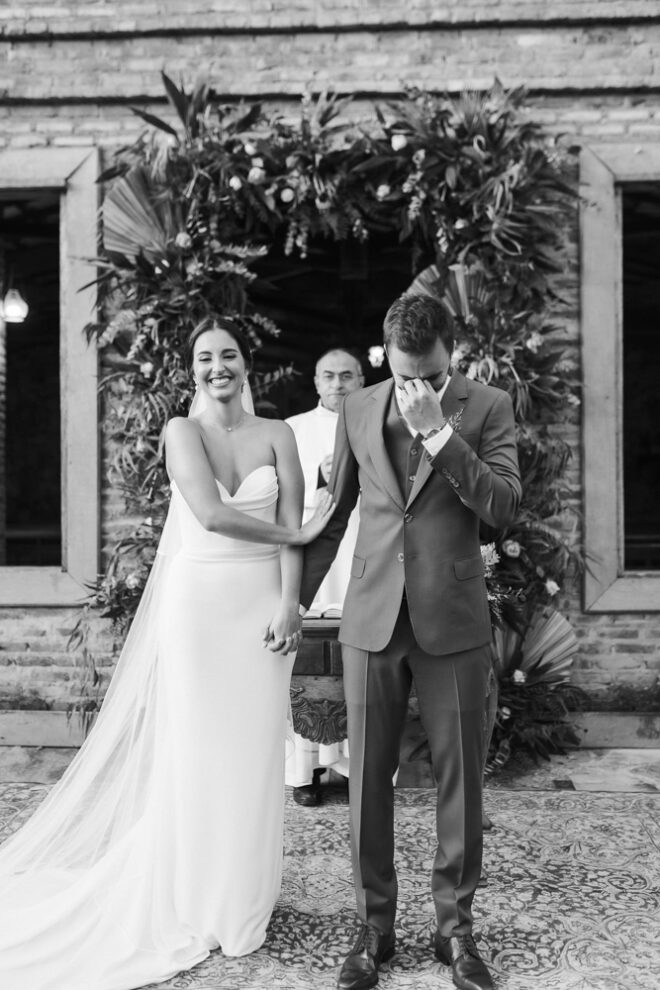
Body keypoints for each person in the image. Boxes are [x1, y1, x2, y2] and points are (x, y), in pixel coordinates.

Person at [0, 317, 334, 990]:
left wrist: (289, 605)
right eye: (205, 358)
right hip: (199, 608)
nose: (218, 367)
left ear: (247, 364)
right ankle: (191, 895)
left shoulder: (279, 434)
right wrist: (296, 531)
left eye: (229, 355)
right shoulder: (182, 431)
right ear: (193, 371)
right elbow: (211, 514)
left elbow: (292, 528)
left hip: (261, 607)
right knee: (198, 749)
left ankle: (241, 898)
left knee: (253, 752)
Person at [299, 294, 521, 990]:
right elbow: (334, 514)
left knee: (461, 781)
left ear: (450, 352)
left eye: (427, 374)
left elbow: (503, 507)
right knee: (366, 780)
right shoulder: (359, 407)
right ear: (386, 353)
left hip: (451, 620)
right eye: (402, 375)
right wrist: (290, 601)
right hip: (371, 616)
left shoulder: (489, 406)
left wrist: (440, 436)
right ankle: (374, 927)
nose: (413, 386)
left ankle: (455, 931)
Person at [285, 348, 363, 805]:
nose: (337, 384)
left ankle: (357, 767)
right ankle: (306, 772)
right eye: (329, 376)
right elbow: (281, 498)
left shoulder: (376, 423)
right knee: (310, 666)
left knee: (358, 661)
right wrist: (321, 476)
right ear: (315, 382)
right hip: (316, 558)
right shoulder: (293, 429)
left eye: (347, 376)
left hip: (361, 554)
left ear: (361, 380)